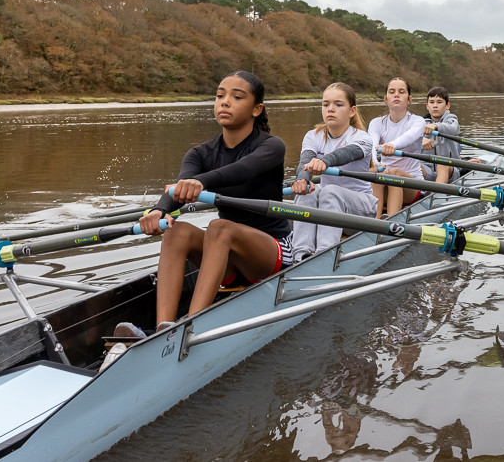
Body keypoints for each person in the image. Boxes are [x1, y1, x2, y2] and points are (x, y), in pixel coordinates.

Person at [118, 71, 292, 338]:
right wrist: (157, 211)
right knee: (175, 231)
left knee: (219, 227)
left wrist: (200, 182)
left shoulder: (271, 146)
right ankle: (164, 328)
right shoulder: (199, 153)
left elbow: (242, 171)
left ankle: (192, 326)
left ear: (256, 109)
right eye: (220, 96)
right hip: (225, 259)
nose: (225, 102)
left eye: (236, 97)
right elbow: (179, 188)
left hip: (270, 253)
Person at [289, 83, 378, 262]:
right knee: (307, 190)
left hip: (361, 211)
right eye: (326, 104)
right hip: (329, 208)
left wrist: (324, 161)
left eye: (338, 104)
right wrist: (301, 180)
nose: (330, 109)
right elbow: (305, 162)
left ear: (352, 111)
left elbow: (347, 153)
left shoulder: (362, 137)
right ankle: (300, 256)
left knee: (330, 191)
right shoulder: (313, 135)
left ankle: (325, 256)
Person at [367, 77, 427, 217]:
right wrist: (375, 164)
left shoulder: (417, 121)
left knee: (394, 173)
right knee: (378, 174)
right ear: (386, 99)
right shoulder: (377, 123)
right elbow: (371, 146)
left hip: (412, 187)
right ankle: (374, 222)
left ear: (409, 99)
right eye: (392, 91)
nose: (396, 95)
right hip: (385, 182)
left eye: (401, 92)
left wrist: (392, 145)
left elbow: (409, 137)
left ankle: (391, 222)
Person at [420, 86, 460, 183]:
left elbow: (453, 129)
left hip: (450, 169)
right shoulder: (420, 123)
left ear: (447, 106)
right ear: (427, 106)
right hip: (427, 169)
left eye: (439, 102)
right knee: (411, 166)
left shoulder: (452, 119)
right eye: (432, 102)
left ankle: (436, 191)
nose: (435, 106)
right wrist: (420, 140)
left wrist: (436, 126)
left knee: (442, 164)